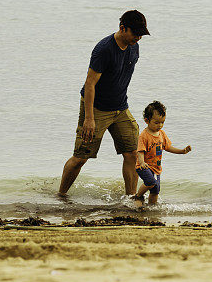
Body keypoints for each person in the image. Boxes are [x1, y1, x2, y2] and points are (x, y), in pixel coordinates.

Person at [58, 10, 150, 197]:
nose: (138, 38)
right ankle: (60, 196)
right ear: (122, 28)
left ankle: (130, 198)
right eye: (135, 33)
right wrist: (89, 118)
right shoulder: (104, 49)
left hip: (121, 108)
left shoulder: (134, 46)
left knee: (132, 153)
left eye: (141, 34)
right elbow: (90, 84)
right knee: (81, 158)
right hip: (96, 109)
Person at [133, 100, 192, 208]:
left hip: (156, 167)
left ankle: (152, 207)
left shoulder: (161, 134)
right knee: (151, 182)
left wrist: (182, 151)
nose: (160, 125)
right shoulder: (144, 136)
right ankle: (138, 196)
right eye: (156, 123)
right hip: (143, 166)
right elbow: (140, 151)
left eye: (162, 122)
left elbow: (167, 147)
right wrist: (141, 162)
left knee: (155, 190)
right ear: (147, 120)